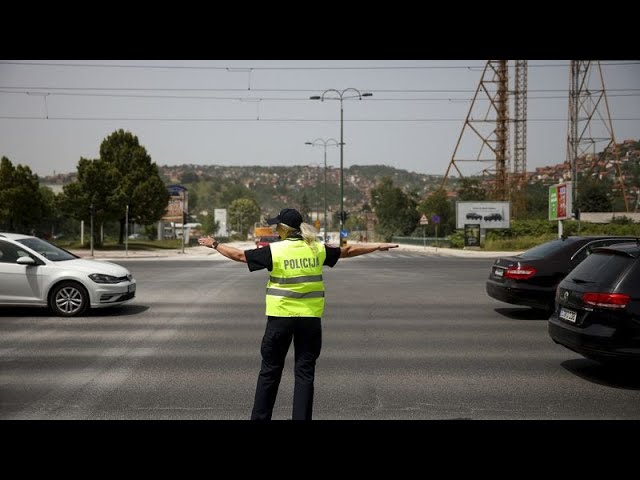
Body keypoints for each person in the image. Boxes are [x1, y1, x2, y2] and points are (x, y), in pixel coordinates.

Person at [198, 207, 398, 420]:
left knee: (270, 372)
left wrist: (215, 244)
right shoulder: (316, 249)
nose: (275, 228)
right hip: (309, 321)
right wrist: (377, 246)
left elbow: (240, 256)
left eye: (277, 225)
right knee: (304, 374)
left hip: (280, 320)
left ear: (284, 229)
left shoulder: (275, 250)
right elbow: (347, 251)